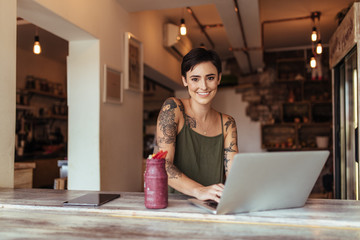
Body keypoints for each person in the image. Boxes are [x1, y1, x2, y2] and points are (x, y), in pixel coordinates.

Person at [154, 48, 239, 203]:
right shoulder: (173, 108)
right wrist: (199, 191)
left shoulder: (227, 123)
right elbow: (162, 165)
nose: (204, 86)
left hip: (211, 207)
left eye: (210, 78)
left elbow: (234, 175)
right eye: (195, 79)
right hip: (174, 207)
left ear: (219, 78)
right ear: (185, 80)